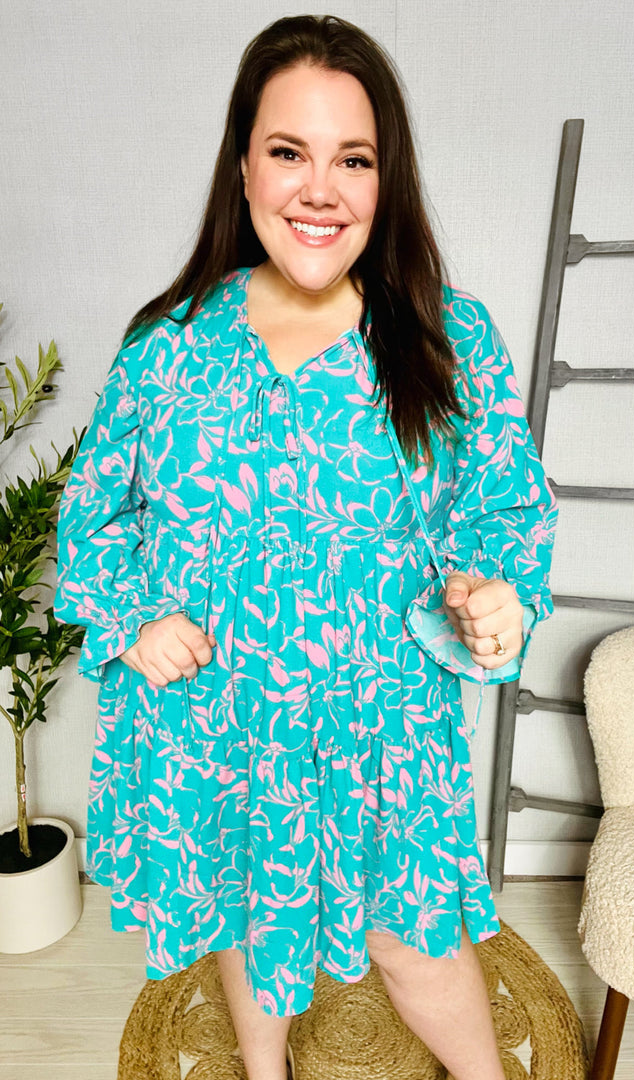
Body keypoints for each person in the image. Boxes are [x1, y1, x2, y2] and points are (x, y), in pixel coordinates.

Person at [54, 14, 557, 1080]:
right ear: (243, 166)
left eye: (353, 159)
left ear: (385, 179)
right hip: (217, 725)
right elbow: (92, 519)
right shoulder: (167, 347)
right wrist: (135, 619)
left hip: (381, 733)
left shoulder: (446, 337)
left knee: (415, 940)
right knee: (244, 917)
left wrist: (498, 595)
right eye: (289, 152)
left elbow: (504, 512)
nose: (320, 189)